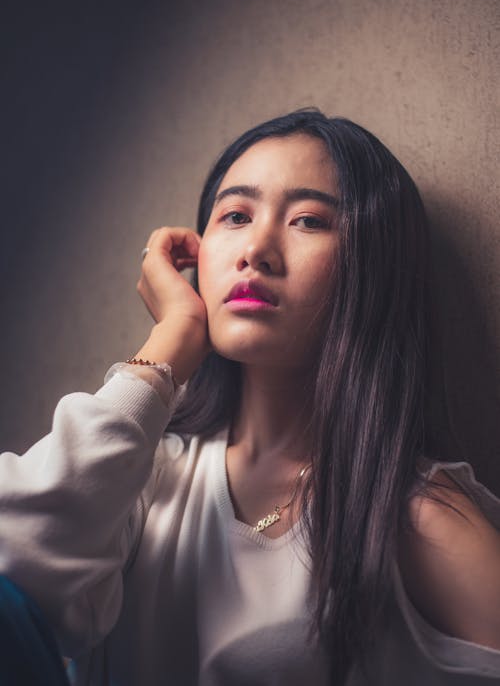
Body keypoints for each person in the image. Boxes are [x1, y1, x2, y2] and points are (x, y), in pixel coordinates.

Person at [0, 109, 499, 686]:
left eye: (309, 221)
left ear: (372, 265)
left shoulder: (412, 515)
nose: (256, 249)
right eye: (235, 215)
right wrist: (170, 346)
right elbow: (11, 561)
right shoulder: (144, 482)